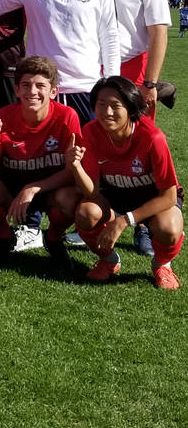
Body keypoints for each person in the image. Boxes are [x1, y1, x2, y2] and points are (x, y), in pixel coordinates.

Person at [88, 0, 171, 257]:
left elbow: (158, 31)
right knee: (100, 147)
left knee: (140, 148)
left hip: (133, 68)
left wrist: (150, 81)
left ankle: (144, 227)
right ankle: (97, 218)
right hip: (96, 67)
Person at [68, 77, 183, 290]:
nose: (107, 112)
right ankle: (109, 260)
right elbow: (92, 193)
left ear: (130, 108)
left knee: (168, 228)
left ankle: (162, 265)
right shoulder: (92, 131)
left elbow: (169, 196)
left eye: (115, 105)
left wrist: (123, 222)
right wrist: (76, 167)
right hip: (115, 196)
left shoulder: (153, 137)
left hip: (154, 199)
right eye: (101, 104)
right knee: (85, 213)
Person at [0, 56, 81, 264]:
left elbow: (71, 172)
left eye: (40, 85)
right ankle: (5, 238)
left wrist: (32, 188)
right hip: (11, 191)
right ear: (16, 90)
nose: (32, 91)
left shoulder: (67, 116)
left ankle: (53, 239)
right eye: (26, 85)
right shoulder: (2, 118)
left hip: (49, 190)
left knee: (71, 198)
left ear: (53, 92)